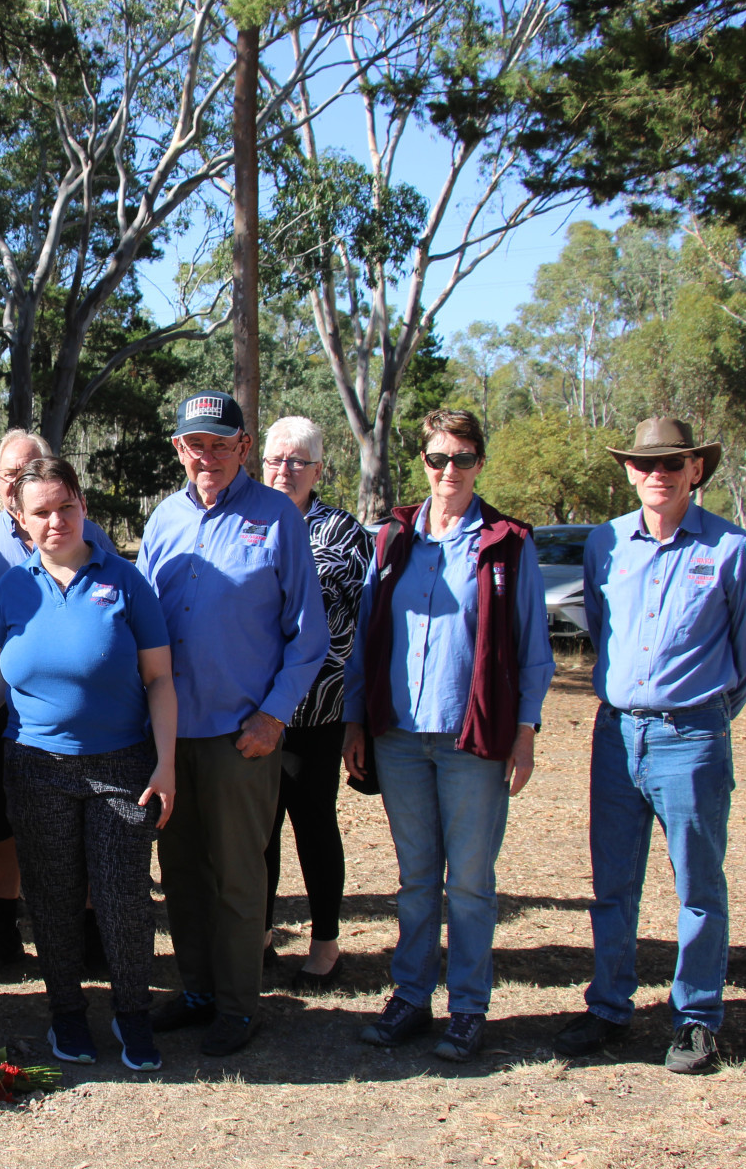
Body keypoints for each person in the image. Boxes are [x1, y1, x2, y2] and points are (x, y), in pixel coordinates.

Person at [556, 417, 746, 1075]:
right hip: (618, 733)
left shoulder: (732, 549)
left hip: (692, 736)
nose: (660, 474)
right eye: (647, 463)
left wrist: (703, 714)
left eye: (673, 463)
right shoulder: (606, 544)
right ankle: (610, 1005)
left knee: (699, 886)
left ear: (695, 470)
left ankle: (697, 1017)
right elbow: (601, 627)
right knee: (612, 884)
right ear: (629, 472)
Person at [342, 408, 553, 1063]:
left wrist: (525, 731)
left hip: (473, 739)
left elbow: (533, 647)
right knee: (414, 877)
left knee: (468, 879)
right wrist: (355, 718)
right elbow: (363, 637)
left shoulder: (507, 543)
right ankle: (410, 996)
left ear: (479, 463)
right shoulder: (392, 540)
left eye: (462, 457)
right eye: (437, 458)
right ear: (423, 464)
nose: (449, 470)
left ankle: (467, 1006)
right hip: (400, 735)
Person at [0, 458, 177, 1071]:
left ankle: (133, 1016)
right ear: (19, 519)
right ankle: (67, 1017)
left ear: (82, 504)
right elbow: (5, 662)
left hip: (122, 765)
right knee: (52, 899)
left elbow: (159, 679)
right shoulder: (14, 586)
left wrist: (166, 764)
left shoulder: (127, 581)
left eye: (66, 506)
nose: (56, 521)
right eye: (40, 512)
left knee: (121, 897)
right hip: (35, 765)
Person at [138, 390, 327, 1057]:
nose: (208, 456)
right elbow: (142, 625)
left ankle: (239, 1006)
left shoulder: (277, 517)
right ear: (179, 448)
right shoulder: (162, 519)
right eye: (196, 444)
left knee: (239, 876)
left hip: (241, 737)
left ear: (244, 447)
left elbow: (310, 634)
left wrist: (276, 715)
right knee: (182, 871)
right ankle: (197, 990)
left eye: (221, 443)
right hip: (170, 737)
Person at [0, 428, 117, 973]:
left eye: (31, 472)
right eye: (9, 475)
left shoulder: (91, 537)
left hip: (70, 713)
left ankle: (86, 930)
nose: (18, 483)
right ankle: (3, 927)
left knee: (75, 824)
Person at [257, 417, 368, 990]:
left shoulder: (343, 534)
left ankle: (324, 943)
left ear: (319, 470)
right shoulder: (248, 519)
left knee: (313, 825)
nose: (285, 471)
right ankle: (262, 937)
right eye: (276, 459)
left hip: (312, 714)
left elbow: (347, 632)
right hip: (249, 713)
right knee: (260, 829)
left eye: (298, 462)